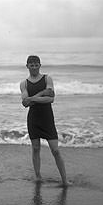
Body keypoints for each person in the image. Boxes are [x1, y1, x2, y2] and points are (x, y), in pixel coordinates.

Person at [20, 55, 68, 186]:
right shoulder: (24, 83)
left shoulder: (47, 78)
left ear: (40, 65)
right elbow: (25, 103)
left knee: (55, 150)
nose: (34, 67)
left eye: (36, 65)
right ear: (27, 66)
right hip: (33, 119)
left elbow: (51, 99)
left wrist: (32, 98)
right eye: (31, 65)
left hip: (47, 118)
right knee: (35, 149)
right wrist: (42, 94)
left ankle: (65, 180)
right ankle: (38, 176)